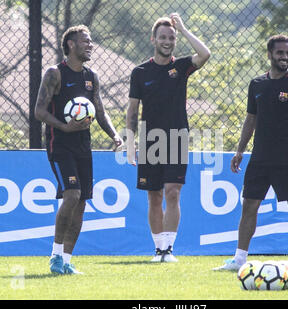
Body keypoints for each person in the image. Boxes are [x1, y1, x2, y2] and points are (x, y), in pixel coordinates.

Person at [214, 35, 288, 271]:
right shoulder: (256, 85)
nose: (285, 57)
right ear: (269, 55)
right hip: (259, 158)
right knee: (249, 206)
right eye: (280, 53)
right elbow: (250, 119)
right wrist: (239, 151)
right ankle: (239, 260)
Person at [34, 25, 123, 274]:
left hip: (84, 146)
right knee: (71, 195)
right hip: (60, 145)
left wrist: (115, 135)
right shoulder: (55, 74)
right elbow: (39, 111)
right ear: (71, 45)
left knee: (82, 203)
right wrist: (64, 127)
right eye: (85, 41)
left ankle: (66, 261)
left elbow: (100, 111)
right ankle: (54, 256)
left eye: (91, 41)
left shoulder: (91, 76)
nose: (90, 44)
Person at [126, 13, 210, 262]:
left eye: (171, 37)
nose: (167, 41)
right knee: (154, 195)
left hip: (177, 138)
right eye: (163, 37)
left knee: (173, 192)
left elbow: (205, 54)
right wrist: (131, 145)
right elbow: (132, 110)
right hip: (150, 140)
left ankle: (169, 250)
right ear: (153, 39)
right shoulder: (140, 72)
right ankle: (158, 249)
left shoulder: (182, 66)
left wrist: (183, 29)